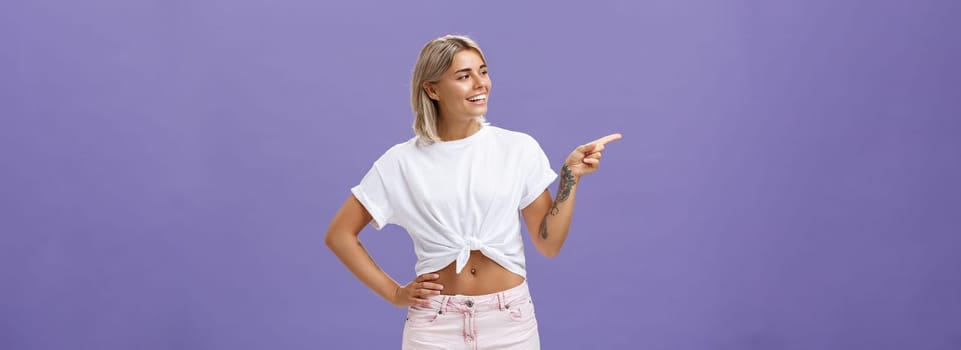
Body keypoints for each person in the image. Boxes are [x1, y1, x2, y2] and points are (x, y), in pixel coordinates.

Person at [324, 34, 621, 350]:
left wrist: (569, 178)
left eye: (483, 71)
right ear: (432, 89)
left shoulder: (517, 148)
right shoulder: (401, 162)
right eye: (464, 76)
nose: (480, 83)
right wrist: (395, 293)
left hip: (510, 323)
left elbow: (548, 245)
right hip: (435, 327)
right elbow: (339, 234)